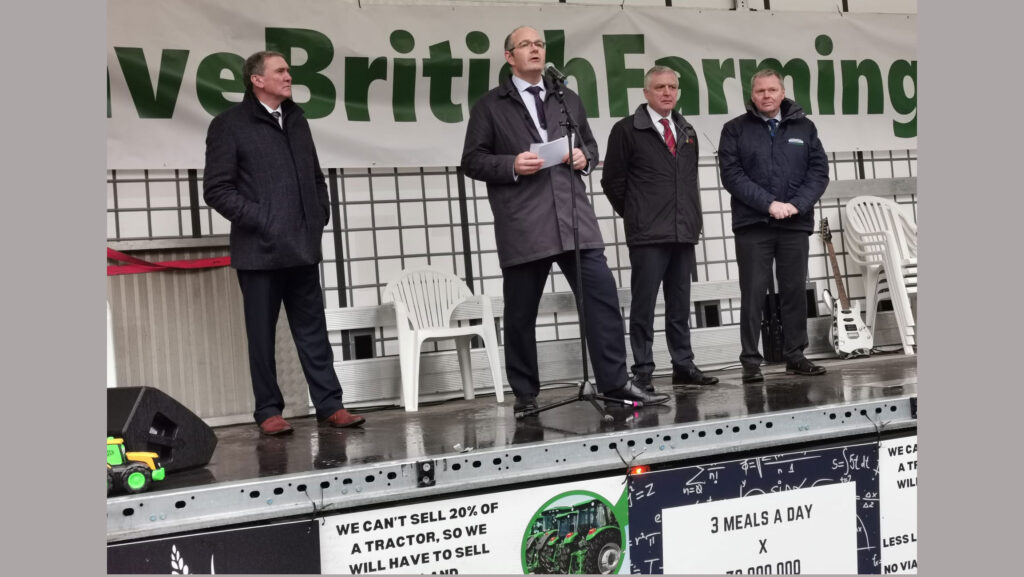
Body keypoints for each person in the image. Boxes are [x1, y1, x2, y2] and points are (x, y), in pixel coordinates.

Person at [461, 26, 668, 413]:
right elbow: (471, 160)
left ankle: (616, 384)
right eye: (525, 45)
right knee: (521, 313)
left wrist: (584, 157)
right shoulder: (490, 105)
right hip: (524, 222)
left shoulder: (566, 97)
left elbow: (589, 143)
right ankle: (525, 395)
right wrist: (511, 164)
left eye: (539, 44)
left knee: (602, 301)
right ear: (510, 57)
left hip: (574, 217)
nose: (535, 49)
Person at [203, 51, 364, 435]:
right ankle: (268, 410)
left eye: (288, 71)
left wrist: (318, 214)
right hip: (259, 252)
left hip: (303, 248)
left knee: (313, 331)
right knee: (261, 335)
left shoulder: (296, 119)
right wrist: (264, 220)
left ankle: (330, 404)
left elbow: (314, 175)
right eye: (281, 71)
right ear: (257, 80)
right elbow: (216, 189)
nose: (289, 76)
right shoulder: (229, 125)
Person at [601, 65, 719, 392]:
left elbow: (689, 180)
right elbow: (612, 181)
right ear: (646, 93)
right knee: (644, 306)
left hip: (683, 233)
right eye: (660, 87)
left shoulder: (687, 130)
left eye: (672, 87)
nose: (667, 92)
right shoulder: (626, 130)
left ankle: (683, 364)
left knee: (680, 305)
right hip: (648, 235)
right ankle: (642, 371)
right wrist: (636, 213)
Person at [718, 69, 830, 384]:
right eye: (760, 91)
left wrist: (797, 204)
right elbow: (732, 175)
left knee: (794, 291)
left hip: (795, 224)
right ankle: (751, 363)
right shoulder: (734, 130)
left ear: (782, 93)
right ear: (751, 96)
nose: (766, 96)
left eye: (772, 90)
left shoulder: (804, 128)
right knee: (753, 293)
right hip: (753, 224)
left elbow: (819, 172)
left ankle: (796, 356)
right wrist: (769, 203)